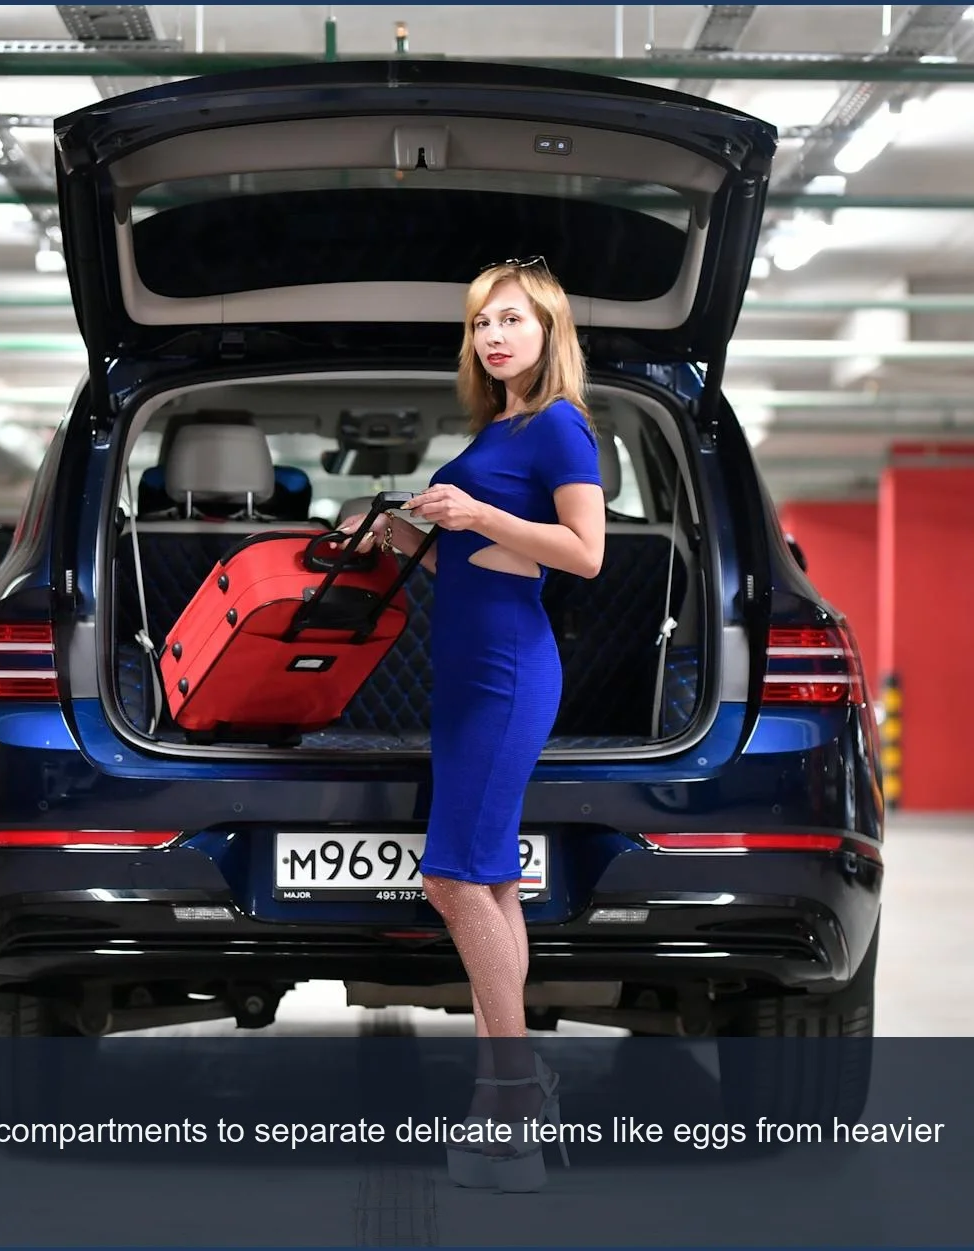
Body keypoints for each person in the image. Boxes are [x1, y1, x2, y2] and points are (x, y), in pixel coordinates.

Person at [340, 257, 606, 1192]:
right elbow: (472, 550)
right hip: (465, 673)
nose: (495, 336)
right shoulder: (499, 426)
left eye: (514, 320)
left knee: (454, 877)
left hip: (507, 671)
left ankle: (513, 1104)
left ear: (548, 332)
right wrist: (403, 531)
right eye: (482, 322)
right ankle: (516, 1096)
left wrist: (474, 506)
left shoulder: (561, 426)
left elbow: (583, 553)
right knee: (491, 878)